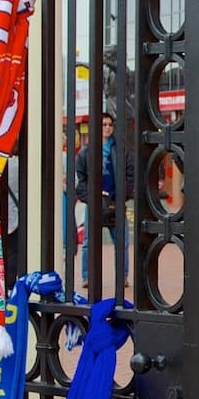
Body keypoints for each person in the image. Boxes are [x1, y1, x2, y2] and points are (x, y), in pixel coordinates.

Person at [73, 113, 135, 287]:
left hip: (115, 203)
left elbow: (130, 176)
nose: (107, 127)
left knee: (121, 243)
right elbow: (80, 178)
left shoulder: (121, 151)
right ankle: (87, 276)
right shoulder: (86, 152)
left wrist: (122, 197)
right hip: (95, 204)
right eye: (103, 124)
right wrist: (89, 198)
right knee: (88, 243)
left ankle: (122, 277)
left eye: (110, 124)